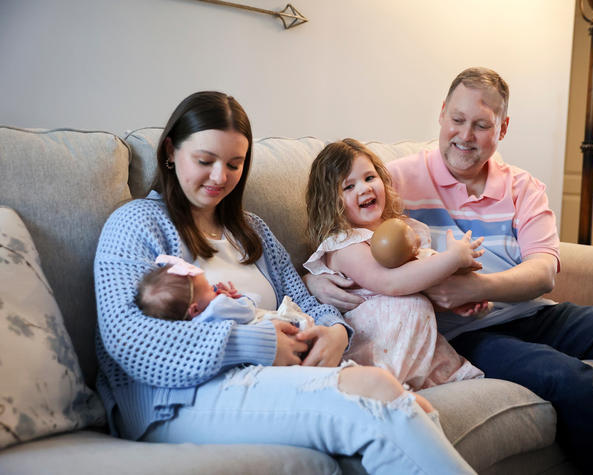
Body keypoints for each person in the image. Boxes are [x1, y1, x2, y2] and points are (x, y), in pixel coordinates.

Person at [304, 68, 593, 475]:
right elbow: (339, 234)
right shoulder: (393, 180)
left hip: (535, 312)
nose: (465, 135)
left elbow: (543, 273)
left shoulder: (524, 187)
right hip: (469, 335)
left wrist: (476, 287)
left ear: (502, 128)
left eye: (482, 125)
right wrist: (314, 280)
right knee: (569, 379)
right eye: (458, 120)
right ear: (442, 114)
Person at [94, 91, 476, 474]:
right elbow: (128, 338)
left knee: (416, 408)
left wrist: (336, 334)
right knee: (376, 393)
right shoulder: (136, 223)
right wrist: (257, 343)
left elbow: (308, 302)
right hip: (178, 398)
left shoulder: (250, 230)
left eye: (234, 164)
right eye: (205, 161)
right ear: (170, 152)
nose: (219, 177)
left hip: (275, 376)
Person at [304, 138, 485, 390]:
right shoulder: (344, 244)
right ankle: (385, 388)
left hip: (419, 347)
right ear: (330, 203)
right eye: (348, 186)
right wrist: (451, 258)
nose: (364, 188)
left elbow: (420, 281)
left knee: (470, 382)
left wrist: (456, 295)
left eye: (369, 178)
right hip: (376, 348)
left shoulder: (402, 231)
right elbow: (390, 282)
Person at [136, 254, 314, 329]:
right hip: (266, 328)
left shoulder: (201, 317)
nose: (214, 287)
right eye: (208, 288)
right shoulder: (217, 307)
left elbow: (303, 298)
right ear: (195, 310)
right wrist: (236, 297)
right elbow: (250, 308)